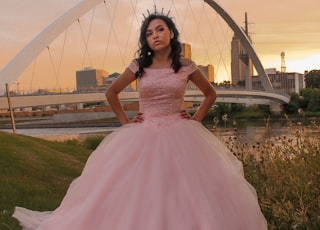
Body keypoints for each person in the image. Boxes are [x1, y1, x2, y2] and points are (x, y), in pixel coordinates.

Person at [13, 10, 268, 230]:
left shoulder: (186, 65)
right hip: (143, 132)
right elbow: (111, 92)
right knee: (136, 190)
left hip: (181, 133)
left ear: (171, 33)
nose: (154, 35)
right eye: (148, 33)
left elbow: (210, 94)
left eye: (160, 29)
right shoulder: (139, 66)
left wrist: (196, 120)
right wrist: (125, 122)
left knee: (184, 190)